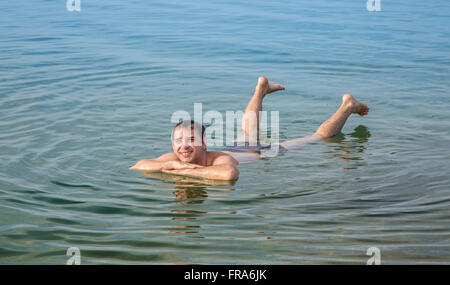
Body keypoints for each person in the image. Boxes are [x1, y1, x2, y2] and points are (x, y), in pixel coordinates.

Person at [130, 76, 369, 180]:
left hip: (260, 152)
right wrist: (168, 165)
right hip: (237, 148)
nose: (183, 145)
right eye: (178, 140)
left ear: (204, 144)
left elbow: (229, 175)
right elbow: (139, 165)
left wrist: (184, 171)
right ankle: (261, 89)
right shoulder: (175, 157)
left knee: (316, 138)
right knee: (246, 132)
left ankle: (347, 106)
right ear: (172, 144)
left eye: (190, 139)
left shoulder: (217, 160)